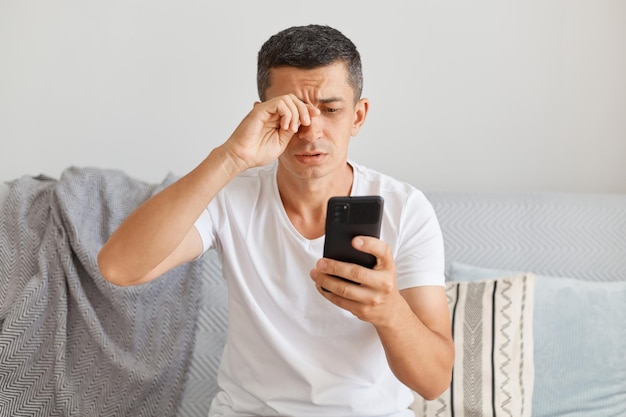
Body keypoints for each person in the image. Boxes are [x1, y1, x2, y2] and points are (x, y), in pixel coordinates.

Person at [98, 24, 454, 417]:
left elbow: (434, 381)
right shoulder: (232, 195)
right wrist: (232, 156)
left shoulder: (406, 208)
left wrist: (389, 310)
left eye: (331, 109)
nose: (310, 131)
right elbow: (119, 268)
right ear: (262, 113)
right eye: (292, 112)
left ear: (358, 115)